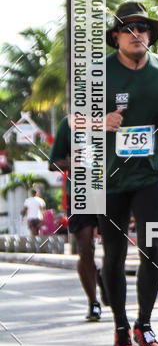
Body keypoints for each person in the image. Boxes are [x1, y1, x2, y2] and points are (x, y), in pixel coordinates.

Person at [101, 2, 158, 346]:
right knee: (113, 256)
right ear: (116, 36)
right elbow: (73, 119)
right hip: (106, 180)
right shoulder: (99, 73)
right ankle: (121, 328)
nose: (137, 34)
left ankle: (145, 325)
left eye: (143, 28)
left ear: (150, 35)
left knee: (151, 249)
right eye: (129, 28)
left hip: (152, 176)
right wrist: (101, 122)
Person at [49, 116, 106, 321]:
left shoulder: (116, 117)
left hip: (111, 191)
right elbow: (53, 163)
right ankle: (93, 302)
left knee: (113, 247)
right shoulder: (69, 123)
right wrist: (71, 162)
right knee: (85, 248)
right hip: (80, 193)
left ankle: (105, 277)